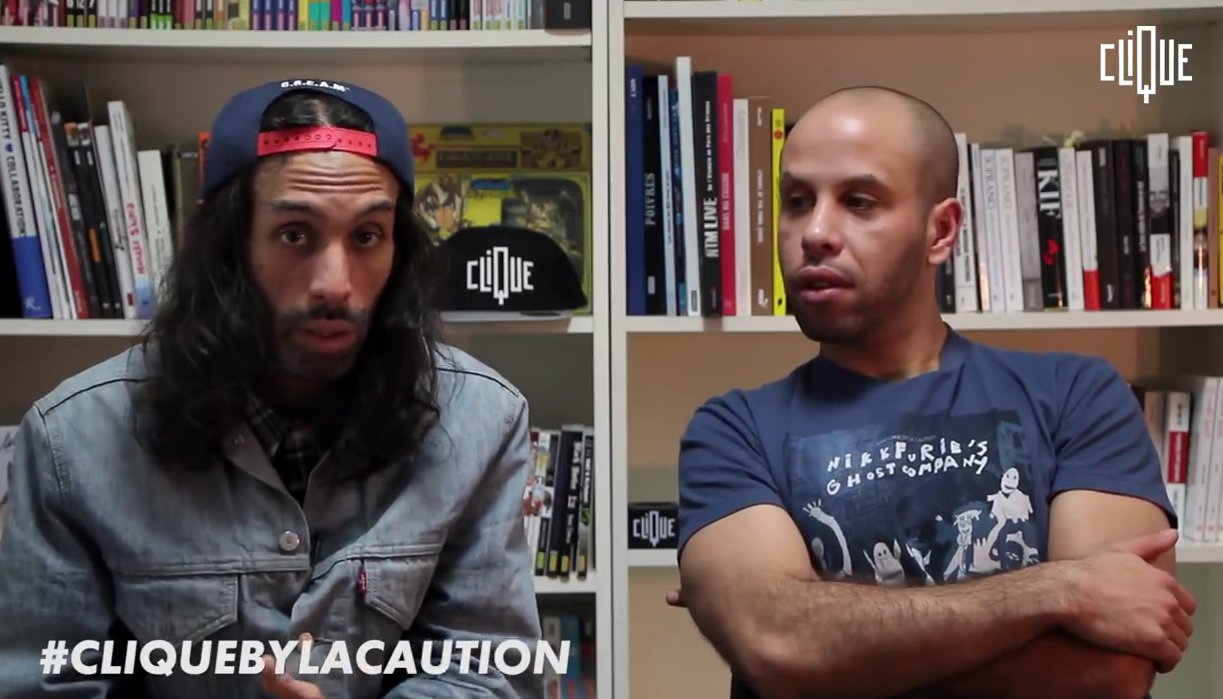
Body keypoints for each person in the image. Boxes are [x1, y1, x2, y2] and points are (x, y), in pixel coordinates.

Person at [0, 78, 543, 699]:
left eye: (367, 236)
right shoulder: (73, 440)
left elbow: (490, 672)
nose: (336, 284)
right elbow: (42, 685)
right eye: (295, 235)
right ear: (229, 245)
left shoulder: (481, 419)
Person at [669, 85, 1196, 699]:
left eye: (859, 201)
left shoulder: (1077, 395)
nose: (815, 232)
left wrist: (830, 644)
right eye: (797, 201)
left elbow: (1109, 672)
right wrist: (1058, 590)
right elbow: (777, 644)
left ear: (941, 230)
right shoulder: (733, 430)